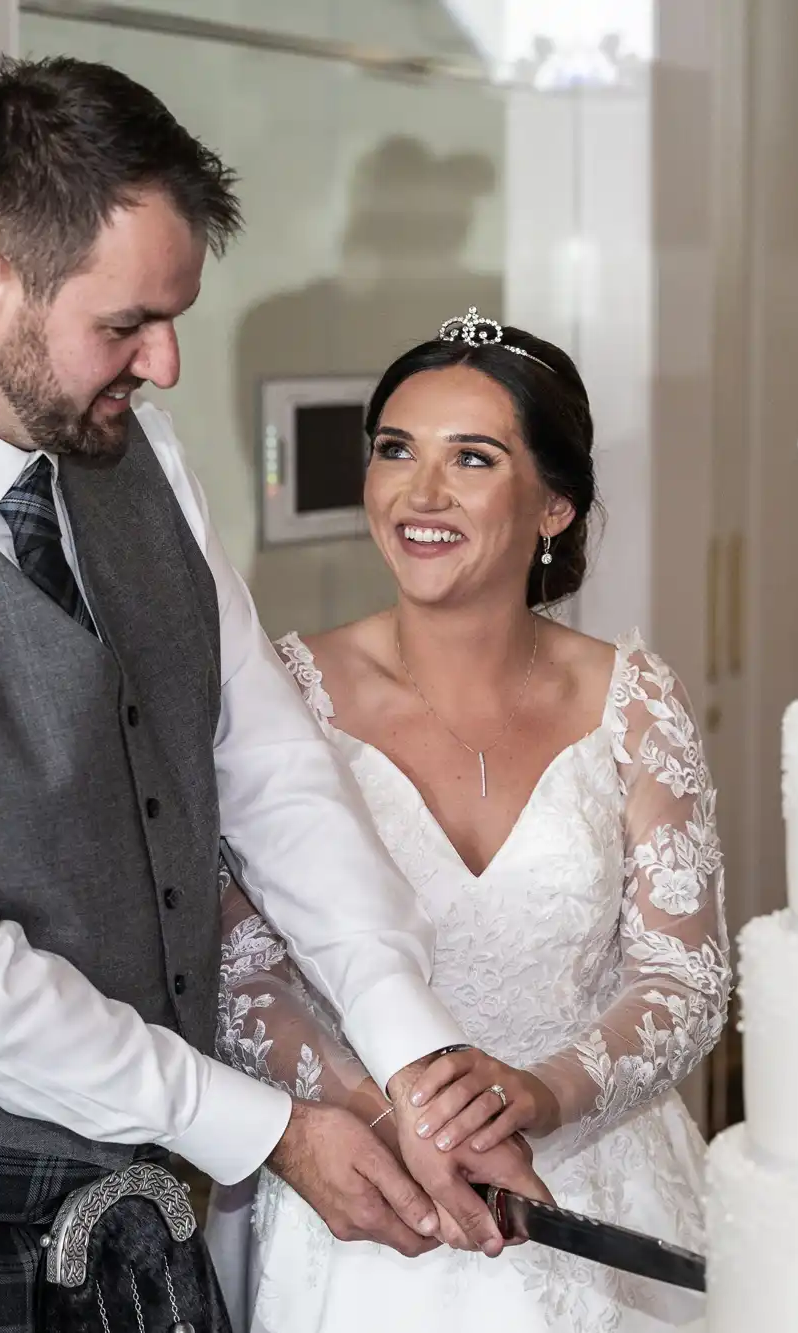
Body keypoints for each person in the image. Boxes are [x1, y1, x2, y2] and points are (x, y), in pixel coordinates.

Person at [0, 58, 543, 1333]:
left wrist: (413, 1057)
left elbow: (268, 772)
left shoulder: (134, 454)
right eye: (127, 324)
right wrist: (271, 1129)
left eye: (174, 317)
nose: (166, 363)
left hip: (121, 1207)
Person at [208, 311, 730, 1333]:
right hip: (370, 1201)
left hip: (596, 1186)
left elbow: (685, 980)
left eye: (471, 458)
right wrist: (398, 1113)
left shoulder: (634, 701)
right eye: (394, 450)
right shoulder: (281, 696)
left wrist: (538, 1094)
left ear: (552, 507)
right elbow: (244, 975)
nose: (420, 492)